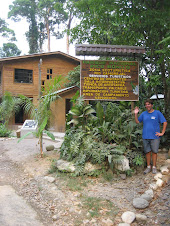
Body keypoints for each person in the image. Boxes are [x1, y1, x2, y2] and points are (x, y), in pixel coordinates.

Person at [134, 99, 167, 174]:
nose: (147, 106)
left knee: (154, 152)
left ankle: (154, 167)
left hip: (155, 137)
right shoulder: (144, 114)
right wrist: (136, 113)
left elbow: (164, 122)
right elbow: (137, 121)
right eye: (146, 104)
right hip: (145, 136)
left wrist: (162, 133)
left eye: (148, 104)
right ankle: (148, 167)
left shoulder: (157, 113)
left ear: (152, 105)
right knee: (147, 152)